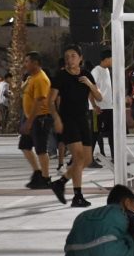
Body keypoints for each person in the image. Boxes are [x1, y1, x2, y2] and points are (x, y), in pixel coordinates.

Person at [49, 45, 103, 208]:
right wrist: (57, 119)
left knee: (87, 159)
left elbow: (99, 97)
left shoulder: (86, 75)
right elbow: (50, 101)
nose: (69, 59)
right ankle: (77, 196)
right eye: (67, 56)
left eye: (73, 56)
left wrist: (89, 84)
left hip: (83, 119)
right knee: (78, 157)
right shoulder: (60, 76)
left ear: (80, 58)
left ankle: (61, 182)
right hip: (68, 119)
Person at [19, 51, 53, 189]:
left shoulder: (41, 79)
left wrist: (29, 122)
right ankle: (37, 172)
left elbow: (39, 102)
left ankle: (45, 178)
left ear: (35, 63)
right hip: (31, 118)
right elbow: (23, 91)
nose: (25, 64)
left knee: (41, 150)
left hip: (40, 119)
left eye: (27, 61)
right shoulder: (32, 77)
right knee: (25, 146)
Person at [90, 49, 114, 160]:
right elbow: (89, 89)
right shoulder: (96, 71)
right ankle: (88, 159)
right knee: (94, 134)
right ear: (107, 59)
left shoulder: (107, 70)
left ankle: (115, 157)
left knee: (112, 133)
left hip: (109, 107)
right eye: (112, 58)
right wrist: (94, 106)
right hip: (98, 108)